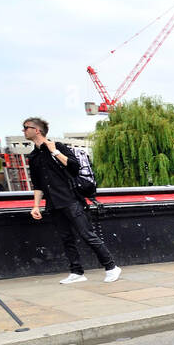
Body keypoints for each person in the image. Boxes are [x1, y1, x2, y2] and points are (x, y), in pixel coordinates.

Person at [24, 117, 120, 284]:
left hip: (71, 199)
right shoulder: (33, 156)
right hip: (53, 203)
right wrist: (36, 206)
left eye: (26, 128)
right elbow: (38, 184)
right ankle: (77, 272)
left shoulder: (58, 147)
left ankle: (111, 267)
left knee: (87, 235)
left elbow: (74, 167)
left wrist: (55, 152)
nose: (24, 131)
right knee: (66, 238)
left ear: (37, 130)